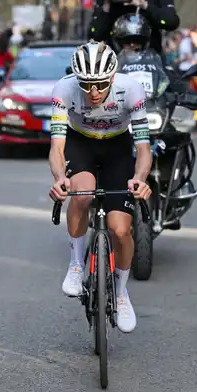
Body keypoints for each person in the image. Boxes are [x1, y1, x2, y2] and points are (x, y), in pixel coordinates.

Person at [48, 42, 153, 333]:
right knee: (82, 192)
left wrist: (141, 179)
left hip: (118, 147)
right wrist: (59, 178)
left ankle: (121, 293)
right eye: (87, 85)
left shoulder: (131, 90)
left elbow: (143, 148)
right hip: (80, 143)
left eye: (101, 84)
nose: (93, 92)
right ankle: (76, 265)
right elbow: (57, 146)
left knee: (121, 230)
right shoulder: (64, 89)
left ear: (112, 77)